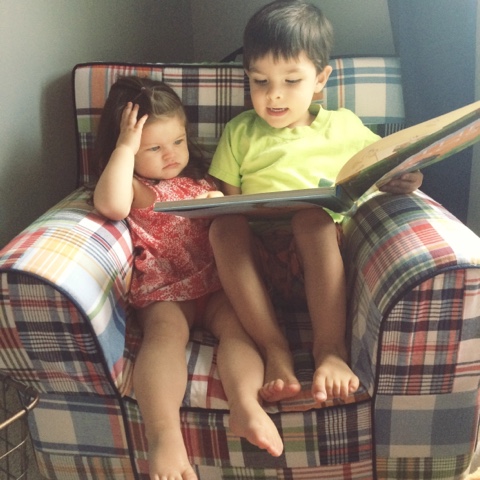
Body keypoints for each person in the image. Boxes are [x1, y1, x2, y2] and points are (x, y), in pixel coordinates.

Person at [208, 0, 423, 405]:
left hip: (321, 262)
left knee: (312, 219)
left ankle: (330, 350)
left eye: (291, 81)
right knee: (223, 227)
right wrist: (214, 201)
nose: (274, 95)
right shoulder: (239, 132)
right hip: (255, 271)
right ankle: (275, 349)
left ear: (320, 78)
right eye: (259, 81)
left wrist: (407, 177)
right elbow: (228, 203)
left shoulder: (345, 126)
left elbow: (386, 165)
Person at [93, 76, 284, 480]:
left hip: (215, 282)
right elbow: (111, 205)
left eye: (178, 141)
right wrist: (125, 148)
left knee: (239, 332)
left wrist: (219, 202)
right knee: (164, 337)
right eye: (153, 148)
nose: (171, 155)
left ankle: (245, 405)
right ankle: (164, 435)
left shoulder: (200, 176)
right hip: (166, 290)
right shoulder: (135, 185)